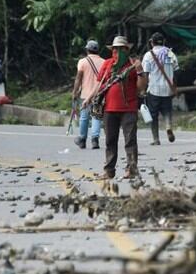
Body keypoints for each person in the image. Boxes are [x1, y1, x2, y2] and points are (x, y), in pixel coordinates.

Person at [89, 35, 146, 180]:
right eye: (116, 49)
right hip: (109, 108)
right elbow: (99, 84)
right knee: (110, 141)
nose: (118, 52)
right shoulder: (108, 64)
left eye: (121, 49)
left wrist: (140, 71)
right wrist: (89, 99)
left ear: (127, 50)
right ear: (112, 50)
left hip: (129, 108)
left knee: (130, 140)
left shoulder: (134, 64)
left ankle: (131, 169)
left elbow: (141, 88)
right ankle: (109, 170)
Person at [141, 31, 180, 145]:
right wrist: (174, 85)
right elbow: (176, 71)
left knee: (153, 115)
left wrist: (143, 88)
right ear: (163, 41)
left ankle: (156, 139)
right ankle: (168, 126)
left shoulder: (148, 55)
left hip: (154, 89)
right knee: (167, 110)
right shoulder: (170, 53)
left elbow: (145, 74)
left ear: (152, 42)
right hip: (167, 88)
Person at [72, 40, 106, 149]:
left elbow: (78, 78)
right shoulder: (104, 62)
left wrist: (75, 91)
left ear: (87, 50)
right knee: (96, 117)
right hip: (99, 94)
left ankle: (82, 139)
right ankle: (95, 140)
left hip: (85, 94)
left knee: (84, 117)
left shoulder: (82, 62)